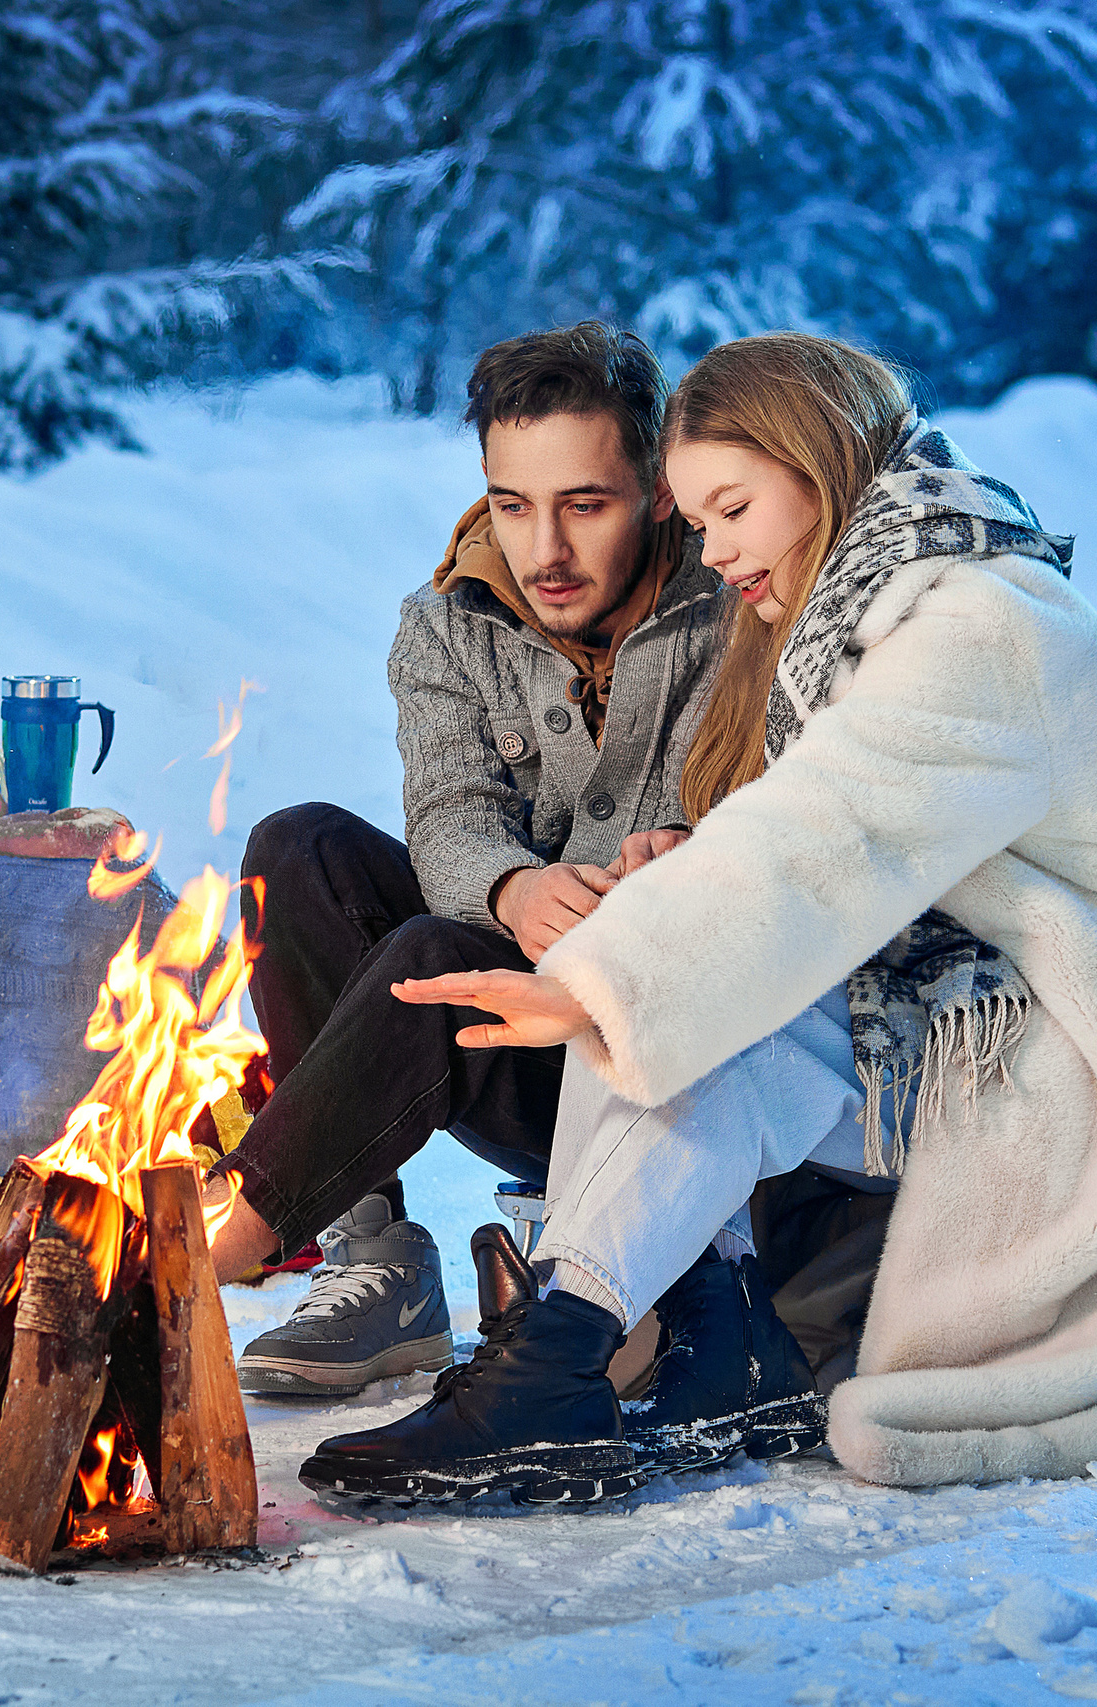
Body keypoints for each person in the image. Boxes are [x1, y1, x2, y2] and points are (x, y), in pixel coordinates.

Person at [296, 331, 1097, 1504]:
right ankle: (618, 1347)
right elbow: (818, 845)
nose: (708, 553)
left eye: (729, 510)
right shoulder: (849, 619)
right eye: (696, 520)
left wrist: (603, 973)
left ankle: (561, 1359)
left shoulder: (983, 623)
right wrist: (676, 881)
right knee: (678, 956)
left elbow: (834, 834)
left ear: (816, 467)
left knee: (691, 984)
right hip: (975, 1014)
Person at [217, 322, 735, 1409]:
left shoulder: (733, 610)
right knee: (294, 849)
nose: (542, 548)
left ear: (653, 490)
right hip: (492, 1014)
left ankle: (209, 1252)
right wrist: (512, 887)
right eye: (512, 503)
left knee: (428, 951)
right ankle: (378, 1261)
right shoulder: (445, 624)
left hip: (637, 1057)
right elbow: (448, 816)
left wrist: (638, 879)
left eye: (583, 505)